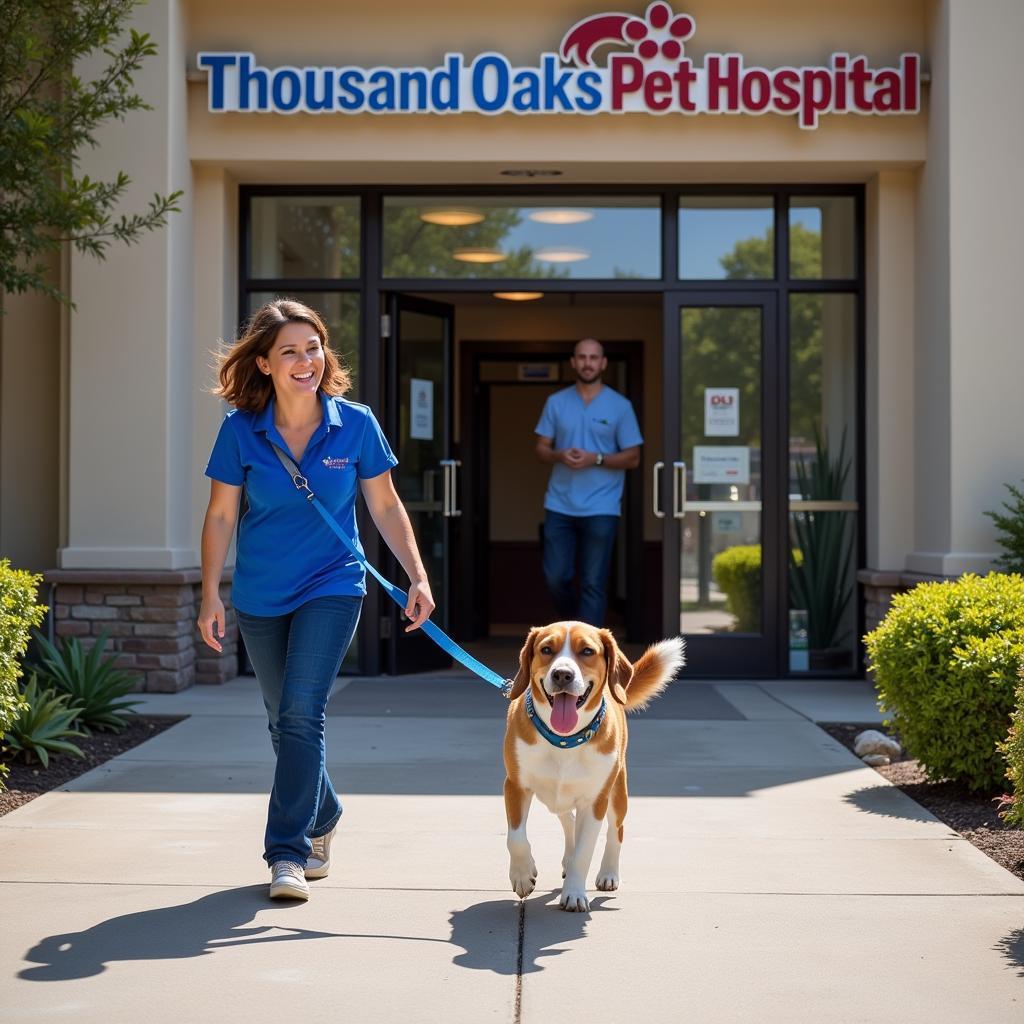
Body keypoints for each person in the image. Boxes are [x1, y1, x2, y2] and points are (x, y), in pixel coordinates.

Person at [197, 299, 434, 902]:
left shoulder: (354, 423)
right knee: (284, 723)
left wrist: (417, 575)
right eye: (289, 352)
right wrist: (208, 595)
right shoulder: (239, 429)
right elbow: (222, 514)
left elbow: (384, 504)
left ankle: (287, 852)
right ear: (265, 364)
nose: (305, 360)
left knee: (303, 714)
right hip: (259, 592)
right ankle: (323, 812)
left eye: (313, 347)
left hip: (332, 585)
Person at [534, 338, 643, 627]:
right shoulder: (556, 402)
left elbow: (633, 457)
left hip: (602, 506)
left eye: (594, 357)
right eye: (582, 357)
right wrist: (559, 454)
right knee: (556, 577)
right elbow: (541, 448)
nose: (587, 363)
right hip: (560, 504)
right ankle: (574, 627)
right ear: (573, 362)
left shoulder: (620, 406)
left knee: (594, 582)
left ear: (603, 363)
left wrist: (595, 459)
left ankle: (587, 652)